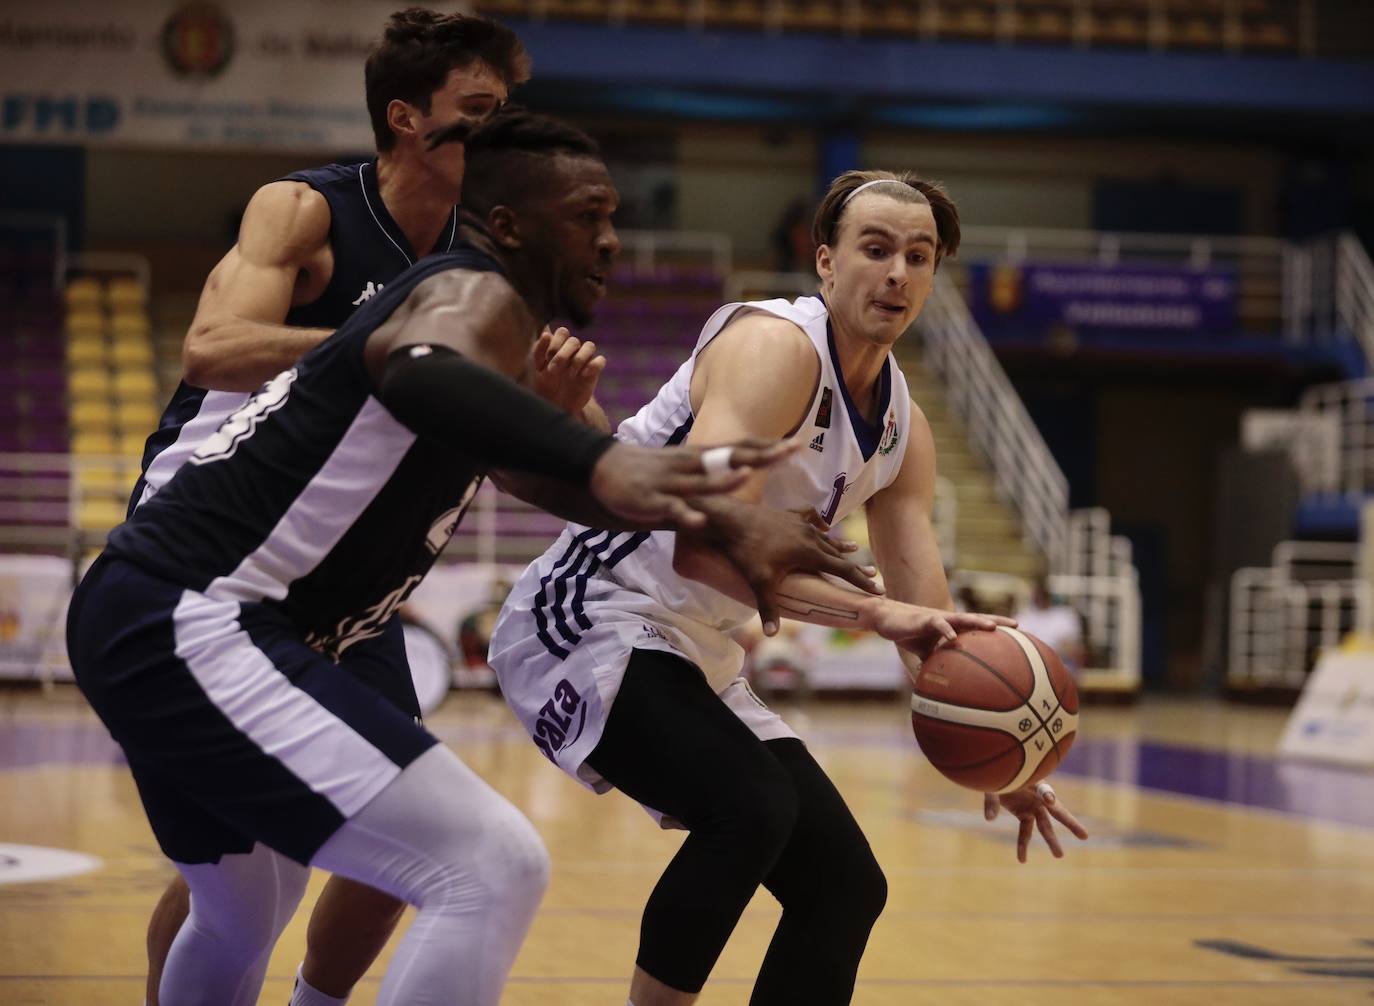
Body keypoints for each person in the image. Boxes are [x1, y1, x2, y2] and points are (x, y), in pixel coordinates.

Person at [71, 108, 865, 1006]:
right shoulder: (469, 291)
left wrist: (707, 513)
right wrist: (622, 461)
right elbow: (418, 368)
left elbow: (561, 485)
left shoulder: (490, 326)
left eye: (612, 219)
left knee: (243, 905)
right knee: (491, 863)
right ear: (513, 226)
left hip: (168, 612)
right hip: (193, 617)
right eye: (587, 217)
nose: (610, 240)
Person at [488, 169, 1090, 1006]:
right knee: (753, 806)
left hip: (692, 648)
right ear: (825, 264)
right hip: (592, 612)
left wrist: (1006, 758)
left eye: (919, 257)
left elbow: (933, 627)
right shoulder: (773, 349)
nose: (898, 274)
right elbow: (703, 550)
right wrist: (876, 611)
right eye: (875, 250)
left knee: (846, 885)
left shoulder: (903, 429)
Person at [129, 11, 530, 1004]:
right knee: (235, 871)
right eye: (474, 115)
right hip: (210, 551)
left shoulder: (485, 261)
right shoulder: (305, 210)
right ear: (405, 117)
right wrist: (380, 346)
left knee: (412, 815)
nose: (497, 139)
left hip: (341, 576)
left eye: (505, 115)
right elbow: (213, 347)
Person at [1014, 574, 1087, 672]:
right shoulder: (1023, 617)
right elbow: (1017, 646)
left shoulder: (1064, 615)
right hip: (1030, 664)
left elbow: (1071, 647)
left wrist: (1046, 657)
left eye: (1043, 593)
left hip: (1060, 663)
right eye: (1037, 593)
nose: (1039, 597)